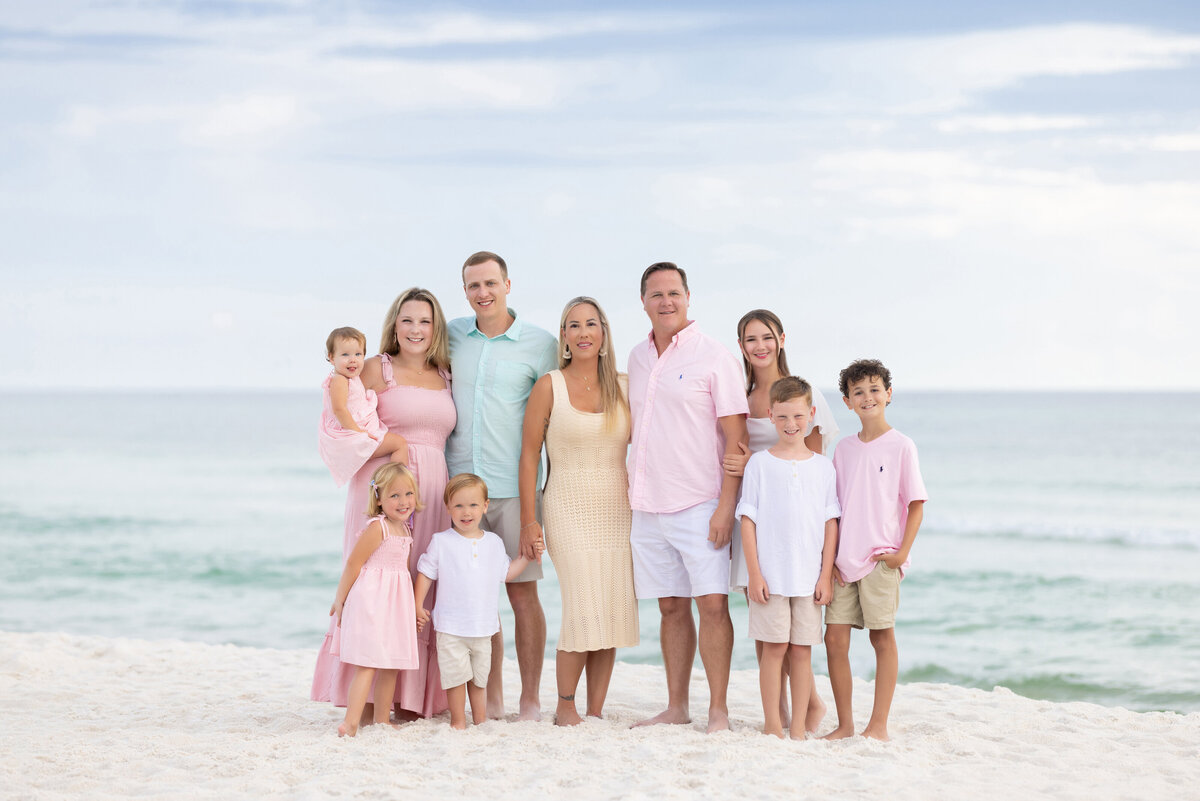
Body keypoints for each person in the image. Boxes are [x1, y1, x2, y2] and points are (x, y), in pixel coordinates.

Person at [311, 289, 456, 721]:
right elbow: (341, 419)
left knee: (420, 583)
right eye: (407, 320)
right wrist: (386, 453)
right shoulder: (374, 367)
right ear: (394, 324)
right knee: (378, 583)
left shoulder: (446, 372)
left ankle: (414, 699)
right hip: (385, 484)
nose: (415, 329)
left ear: (436, 328)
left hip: (431, 489)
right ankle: (368, 699)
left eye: (425, 321)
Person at [626, 262, 749, 733]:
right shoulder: (637, 358)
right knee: (670, 607)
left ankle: (718, 710)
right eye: (656, 294)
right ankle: (677, 706)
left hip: (700, 503)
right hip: (647, 504)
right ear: (643, 302)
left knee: (712, 605)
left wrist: (725, 507)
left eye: (674, 292)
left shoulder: (714, 355)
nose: (666, 302)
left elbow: (737, 439)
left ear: (688, 296)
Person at [446, 251, 558, 721]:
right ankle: (487, 696)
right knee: (474, 597)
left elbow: (562, 405)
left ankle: (529, 698)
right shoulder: (450, 335)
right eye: (474, 286)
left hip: (514, 489)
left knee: (522, 594)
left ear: (508, 284)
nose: (483, 293)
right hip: (459, 488)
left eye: (491, 283)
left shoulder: (541, 344)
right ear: (465, 290)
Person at [518, 296, 638, 726]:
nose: (583, 331)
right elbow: (529, 455)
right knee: (583, 605)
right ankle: (565, 705)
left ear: (603, 334)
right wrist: (529, 521)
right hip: (567, 505)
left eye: (591, 323)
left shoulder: (626, 385)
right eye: (573, 325)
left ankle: (596, 709)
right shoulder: (550, 384)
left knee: (611, 606)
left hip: (618, 507)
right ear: (565, 337)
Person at [726, 308, 840, 733]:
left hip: (793, 523)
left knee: (796, 640)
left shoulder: (800, 396)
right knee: (768, 633)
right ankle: (781, 717)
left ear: (781, 339)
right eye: (751, 339)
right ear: (742, 346)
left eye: (767, 337)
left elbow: (809, 465)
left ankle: (808, 708)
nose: (760, 346)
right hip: (756, 520)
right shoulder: (739, 395)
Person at [823, 359, 928, 741]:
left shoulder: (902, 446)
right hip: (843, 562)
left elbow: (916, 503)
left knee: (882, 638)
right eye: (858, 392)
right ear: (848, 402)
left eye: (873, 389)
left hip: (880, 559)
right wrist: (828, 559)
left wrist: (901, 554)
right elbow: (833, 510)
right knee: (834, 639)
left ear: (888, 394)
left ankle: (878, 725)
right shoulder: (844, 450)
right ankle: (846, 724)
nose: (867, 397)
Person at [414, 474, 543, 729]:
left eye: (473, 505)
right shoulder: (442, 542)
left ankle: (480, 720)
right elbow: (426, 573)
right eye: (459, 506)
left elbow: (506, 574)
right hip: (450, 627)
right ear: (448, 508)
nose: (466, 512)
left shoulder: (493, 543)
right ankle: (458, 721)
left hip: (483, 627)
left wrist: (527, 557)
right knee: (455, 677)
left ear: (485, 506)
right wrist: (417, 605)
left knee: (479, 678)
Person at [327, 463, 422, 737]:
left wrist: (412, 607)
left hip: (395, 604)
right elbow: (354, 563)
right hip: (371, 602)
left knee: (391, 664)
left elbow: (402, 573)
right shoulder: (377, 527)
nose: (403, 502)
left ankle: (382, 718)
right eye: (394, 496)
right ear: (378, 498)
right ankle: (351, 722)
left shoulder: (405, 530)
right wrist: (340, 598)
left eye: (408, 494)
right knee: (368, 663)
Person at [318, 326, 409, 487]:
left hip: (357, 431)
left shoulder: (351, 378)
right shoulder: (339, 380)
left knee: (397, 444)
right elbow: (339, 409)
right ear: (332, 358)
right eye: (345, 354)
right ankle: (397, 486)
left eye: (358, 354)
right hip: (353, 434)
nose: (353, 359)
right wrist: (360, 434)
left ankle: (390, 485)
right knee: (400, 444)